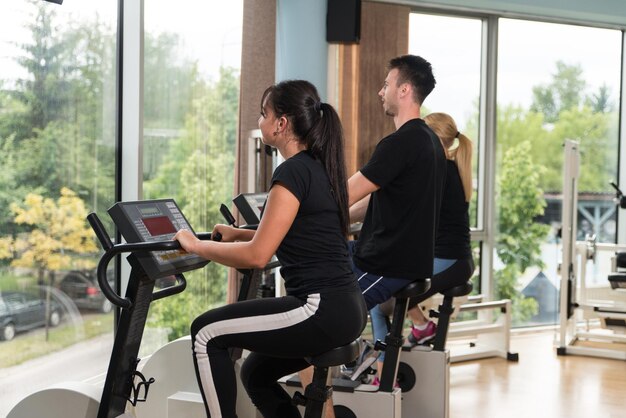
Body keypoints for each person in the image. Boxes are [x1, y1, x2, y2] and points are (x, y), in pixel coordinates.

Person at [174, 79, 368, 418]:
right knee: (255, 373)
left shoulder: (291, 172)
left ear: (281, 124)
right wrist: (237, 233)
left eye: (264, 114)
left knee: (205, 333)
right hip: (346, 308)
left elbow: (258, 257)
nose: (260, 122)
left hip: (317, 307)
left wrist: (197, 245)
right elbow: (295, 235)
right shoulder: (320, 167)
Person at [299, 54, 445, 398]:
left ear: (404, 89)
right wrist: (329, 218)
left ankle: (332, 381)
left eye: (386, 84)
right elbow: (370, 203)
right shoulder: (428, 141)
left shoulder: (401, 142)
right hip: (385, 253)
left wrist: (298, 208)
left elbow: (345, 193)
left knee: (319, 321)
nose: (381, 92)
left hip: (387, 262)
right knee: (321, 264)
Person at [367, 111, 476, 383]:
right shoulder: (449, 167)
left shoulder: (440, 170)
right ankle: (421, 325)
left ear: (432, 139)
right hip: (454, 258)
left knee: (379, 302)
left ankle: (384, 377)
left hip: (450, 259)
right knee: (396, 284)